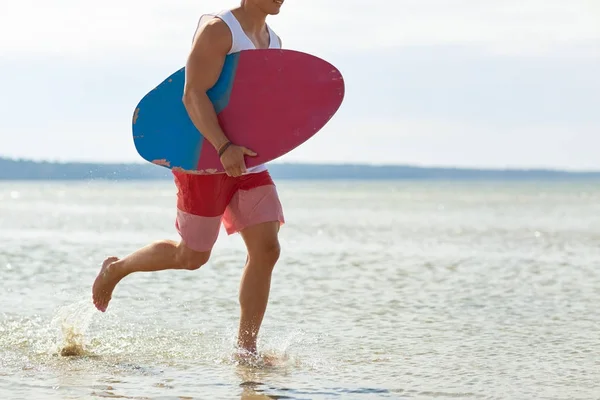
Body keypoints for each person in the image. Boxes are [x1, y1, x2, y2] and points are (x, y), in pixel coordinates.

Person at [92, 0, 286, 358]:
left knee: (267, 249)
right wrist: (223, 145)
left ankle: (246, 350)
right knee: (192, 256)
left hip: (248, 162)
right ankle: (117, 270)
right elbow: (192, 93)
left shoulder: (272, 42)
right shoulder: (218, 31)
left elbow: (256, 106)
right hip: (205, 160)